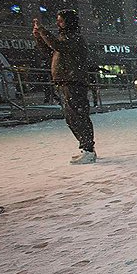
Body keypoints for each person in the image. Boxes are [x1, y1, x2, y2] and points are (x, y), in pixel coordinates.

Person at [33, 10, 96, 164]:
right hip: (66, 81)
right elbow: (51, 51)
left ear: (69, 22)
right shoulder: (64, 38)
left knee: (78, 115)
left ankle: (88, 149)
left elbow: (57, 46)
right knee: (71, 117)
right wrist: (39, 37)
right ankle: (86, 148)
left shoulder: (74, 38)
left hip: (74, 81)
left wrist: (42, 31)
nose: (58, 23)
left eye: (60, 20)